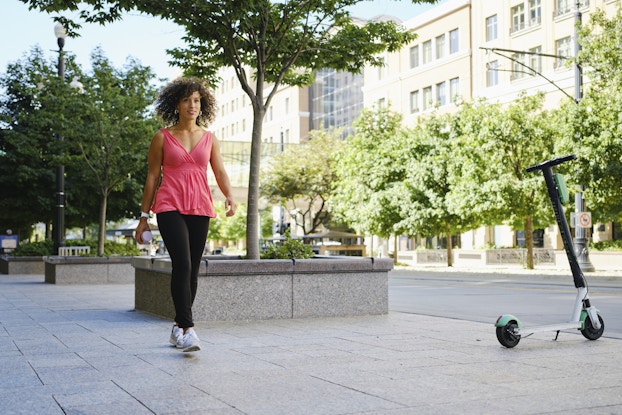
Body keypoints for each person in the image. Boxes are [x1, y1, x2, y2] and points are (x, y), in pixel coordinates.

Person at [135, 77, 236, 352]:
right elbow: (152, 177)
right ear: (176, 104)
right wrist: (143, 216)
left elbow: (220, 170)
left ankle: (178, 327)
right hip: (169, 205)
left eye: (196, 100)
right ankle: (189, 330)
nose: (192, 105)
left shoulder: (209, 138)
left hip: (200, 205)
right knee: (182, 264)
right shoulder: (162, 137)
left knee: (191, 269)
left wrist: (229, 196)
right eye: (186, 100)